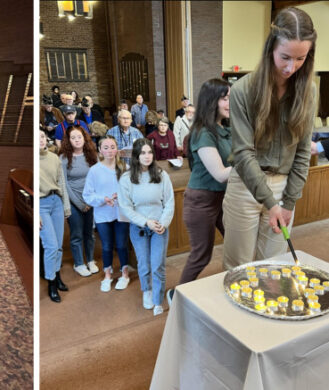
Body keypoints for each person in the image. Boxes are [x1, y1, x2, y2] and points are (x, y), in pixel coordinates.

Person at [222, 7, 317, 269]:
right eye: (285, 57)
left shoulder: (309, 92)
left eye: (300, 59)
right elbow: (243, 153)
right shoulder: (243, 90)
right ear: (270, 48)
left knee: (274, 268)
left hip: (284, 187)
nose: (291, 67)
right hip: (245, 187)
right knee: (237, 268)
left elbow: (301, 151)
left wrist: (288, 202)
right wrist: (270, 202)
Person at [169, 79, 231, 301]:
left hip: (223, 198)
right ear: (212, 101)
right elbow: (221, 174)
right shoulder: (203, 132)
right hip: (202, 200)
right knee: (201, 255)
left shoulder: (225, 127)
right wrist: (250, 163)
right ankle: (176, 296)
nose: (230, 102)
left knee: (236, 243)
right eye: (225, 98)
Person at [118, 138, 174, 316]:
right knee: (144, 264)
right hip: (139, 227)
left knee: (158, 264)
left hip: (159, 227)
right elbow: (126, 207)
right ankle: (147, 291)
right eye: (143, 152)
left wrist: (162, 224)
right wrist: (145, 222)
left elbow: (170, 202)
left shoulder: (161, 174)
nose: (147, 156)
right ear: (136, 155)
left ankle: (158, 299)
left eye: (149, 152)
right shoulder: (127, 179)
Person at [83, 136, 130, 293]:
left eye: (112, 147)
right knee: (107, 245)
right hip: (103, 214)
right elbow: (87, 195)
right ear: (100, 150)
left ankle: (124, 273)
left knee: (122, 244)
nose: (110, 150)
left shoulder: (124, 167)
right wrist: (103, 199)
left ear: (117, 149)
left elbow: (132, 190)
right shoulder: (94, 170)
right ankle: (108, 274)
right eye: (106, 147)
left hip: (121, 213)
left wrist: (120, 196)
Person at [59, 126, 99, 277]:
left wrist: (91, 201)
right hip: (73, 202)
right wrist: (81, 204)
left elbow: (96, 178)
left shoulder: (91, 155)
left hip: (90, 201)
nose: (77, 140)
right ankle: (79, 263)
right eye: (73, 137)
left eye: (79, 137)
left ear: (84, 138)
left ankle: (90, 260)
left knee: (90, 233)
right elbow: (64, 184)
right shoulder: (63, 158)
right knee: (76, 234)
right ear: (68, 140)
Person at [39, 130, 70, 303]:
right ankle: (51, 282)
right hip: (41, 204)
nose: (40, 140)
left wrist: (65, 206)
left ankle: (57, 276)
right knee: (50, 245)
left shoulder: (54, 158)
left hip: (56, 201)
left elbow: (61, 182)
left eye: (42, 137)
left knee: (58, 245)